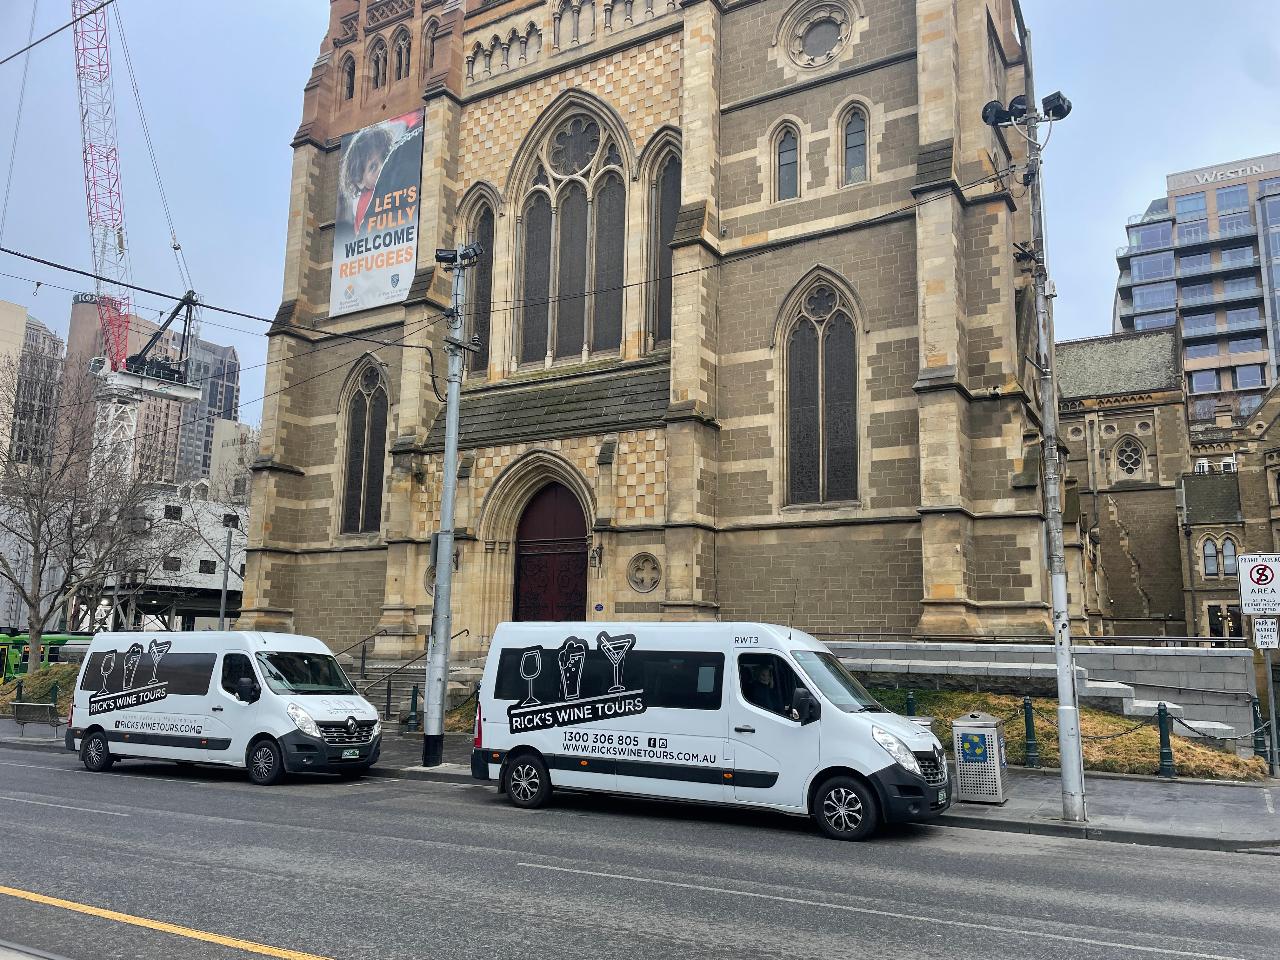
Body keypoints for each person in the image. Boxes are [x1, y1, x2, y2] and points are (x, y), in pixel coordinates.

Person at [339, 126, 393, 235]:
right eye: (373, 167)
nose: (382, 166)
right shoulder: (367, 203)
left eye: (385, 156)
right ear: (359, 181)